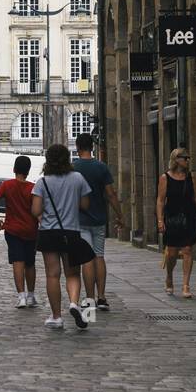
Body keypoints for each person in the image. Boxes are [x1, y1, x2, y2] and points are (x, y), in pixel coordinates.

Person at [32, 144, 93, 330]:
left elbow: (35, 210)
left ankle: (56, 316)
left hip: (49, 232)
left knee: (53, 274)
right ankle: (74, 302)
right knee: (73, 273)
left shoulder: (42, 182)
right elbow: (85, 205)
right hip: (71, 231)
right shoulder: (78, 178)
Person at [73, 133, 124, 311]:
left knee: (86, 259)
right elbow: (111, 194)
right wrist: (120, 215)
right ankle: (102, 297)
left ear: (78, 148)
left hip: (80, 220)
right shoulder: (101, 167)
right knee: (99, 256)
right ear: (92, 147)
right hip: (99, 219)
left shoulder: (73, 168)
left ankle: (89, 299)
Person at [157, 147, 196, 298]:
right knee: (172, 253)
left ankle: (186, 285)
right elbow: (160, 201)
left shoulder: (192, 178)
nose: (187, 160)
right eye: (185, 158)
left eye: (188, 158)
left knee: (187, 250)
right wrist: (160, 220)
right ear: (176, 159)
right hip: (172, 217)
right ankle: (169, 277)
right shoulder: (165, 177)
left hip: (189, 217)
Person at [0, 155, 39, 308]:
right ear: (28, 171)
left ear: (14, 169)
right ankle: (31, 295)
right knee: (30, 263)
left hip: (13, 230)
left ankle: (21, 296)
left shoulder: (7, 185)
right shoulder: (33, 188)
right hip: (31, 230)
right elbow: (37, 210)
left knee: (17, 261)